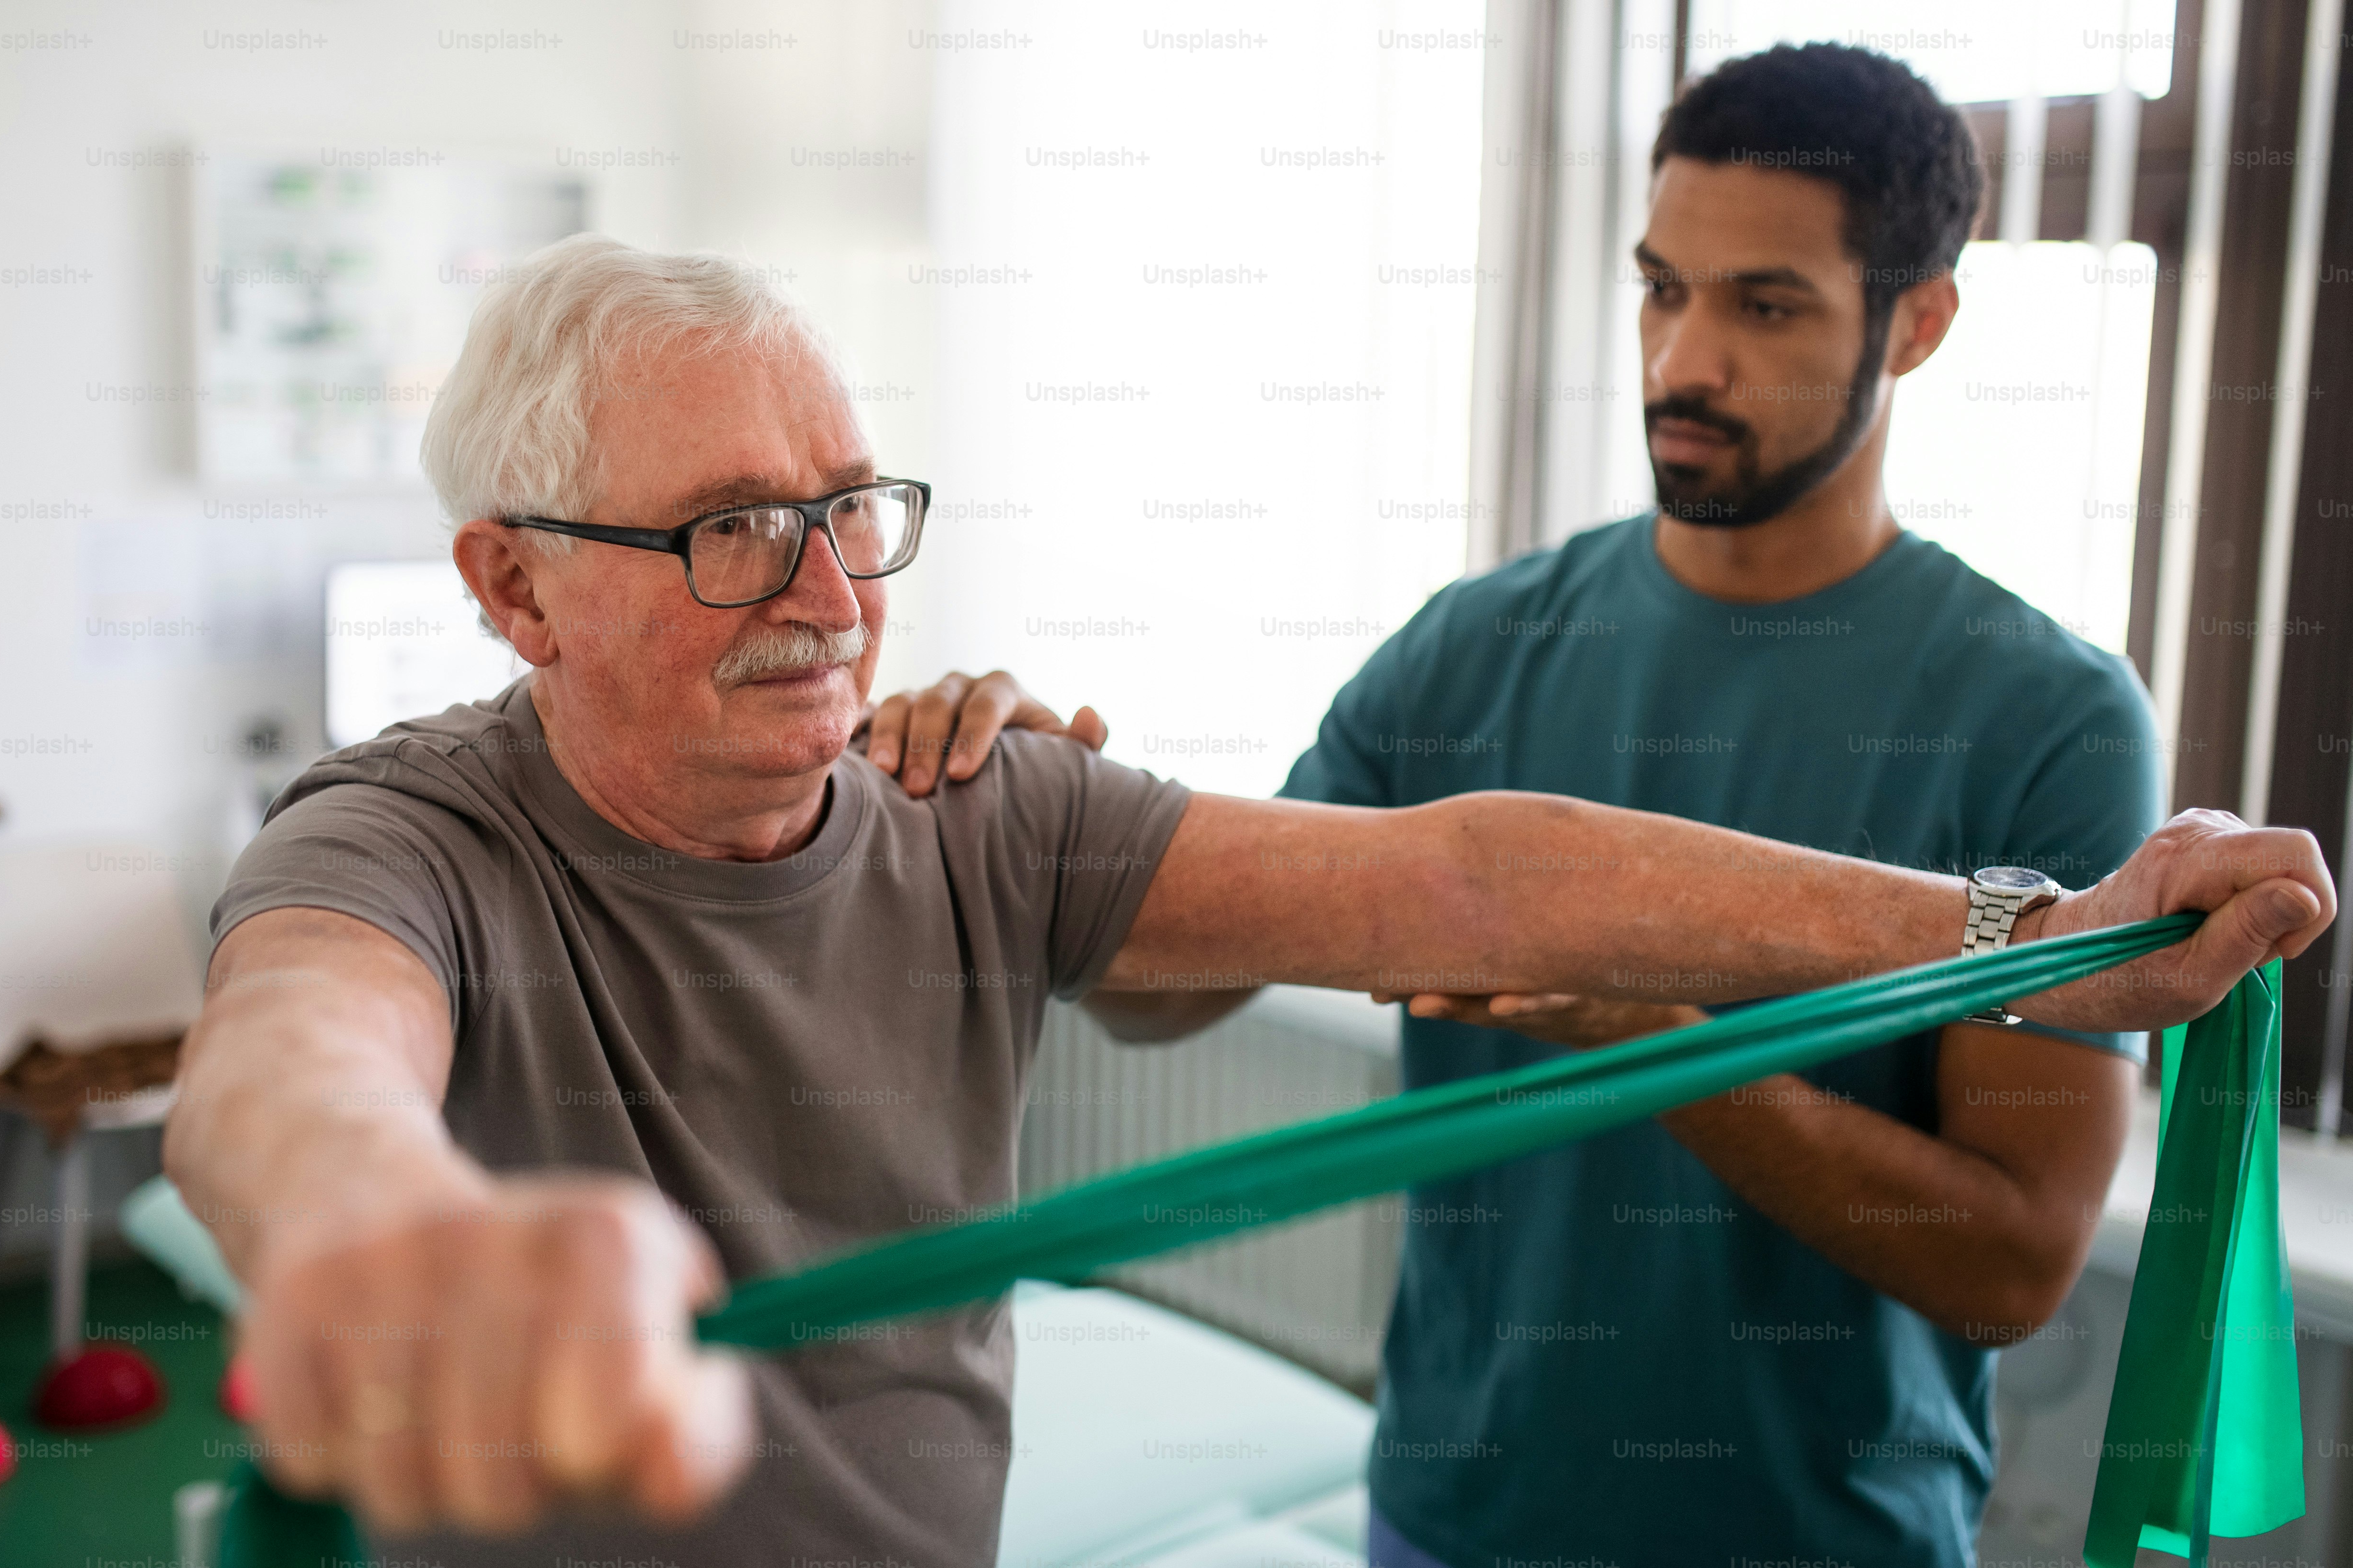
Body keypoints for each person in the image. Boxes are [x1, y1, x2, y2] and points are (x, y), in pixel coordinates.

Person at [163, 231, 2332, 1568]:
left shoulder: (972, 803)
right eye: (732, 529)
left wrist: (2050, 925)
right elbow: (288, 1069)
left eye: (851, 508)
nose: (834, 597)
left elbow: (1482, 872)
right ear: (513, 585)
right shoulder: (405, 837)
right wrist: (396, 1232)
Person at [968, 43, 2193, 1568]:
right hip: (1449, 1520)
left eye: (1765, 305)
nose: (1683, 361)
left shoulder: (2048, 715)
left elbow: (2009, 1259)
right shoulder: (1475, 647)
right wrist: (1036, 816)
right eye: (1661, 286)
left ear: (1920, 321)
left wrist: (1639, 1037)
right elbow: (1170, 993)